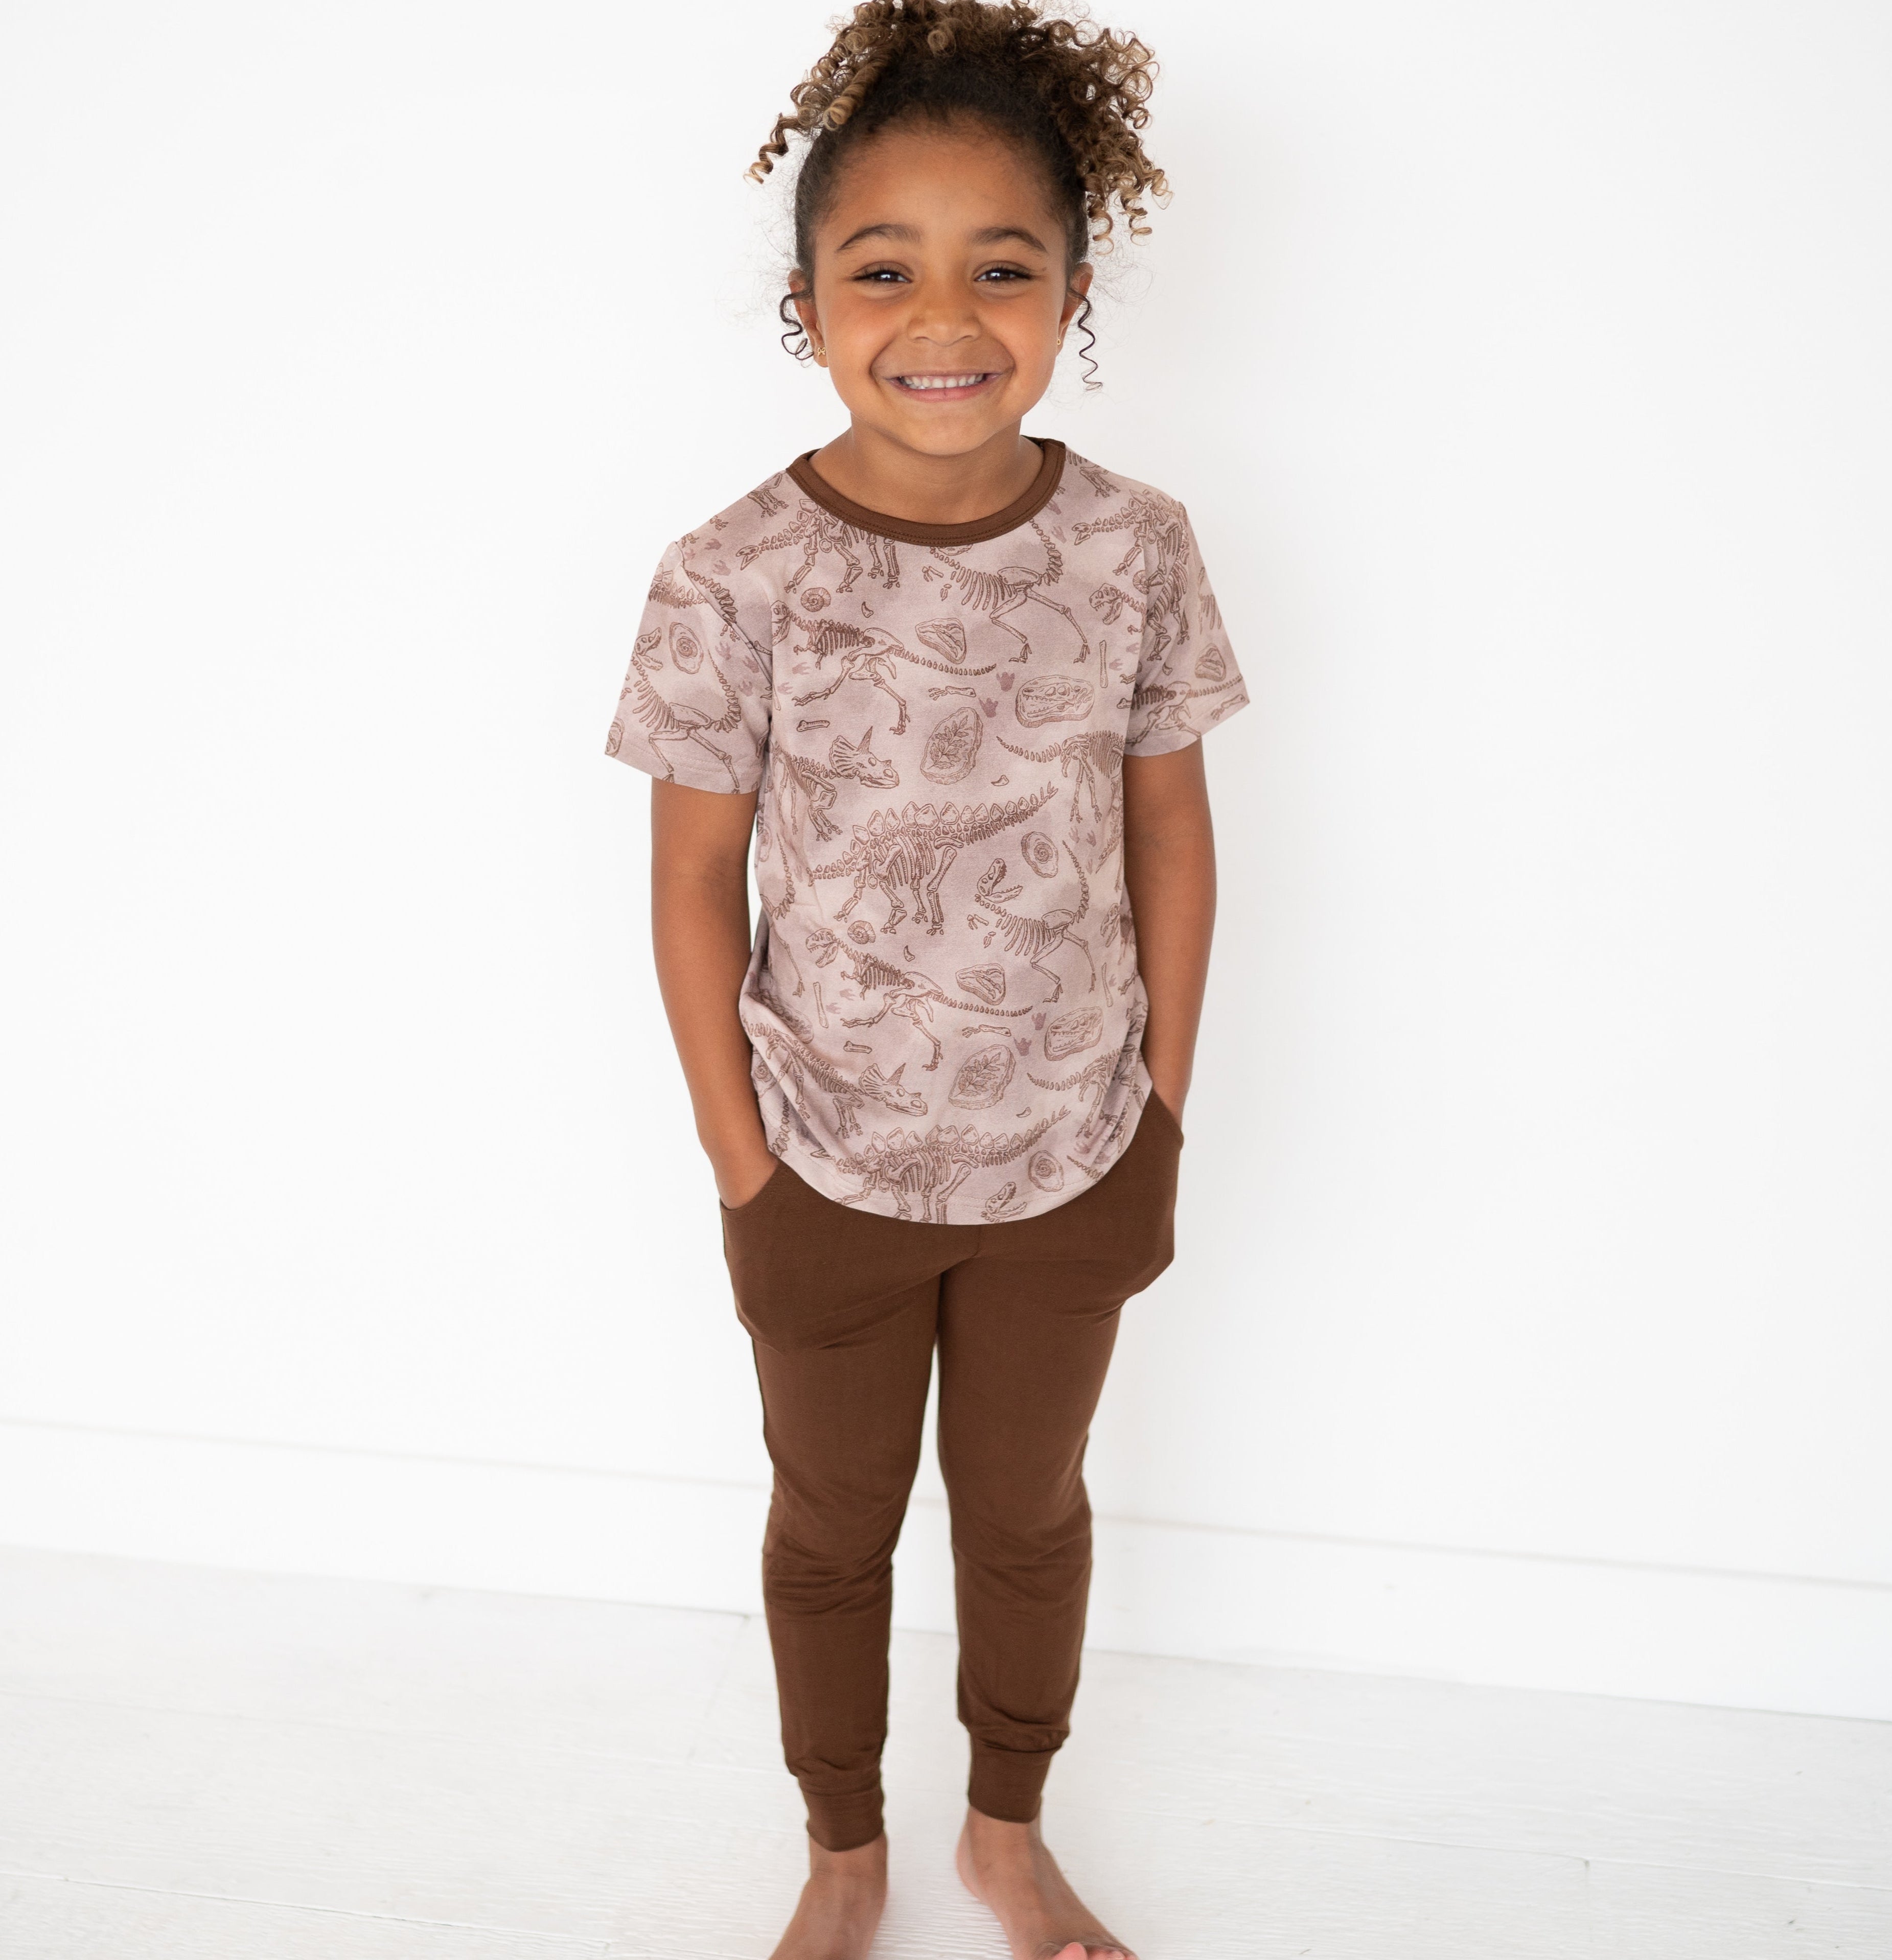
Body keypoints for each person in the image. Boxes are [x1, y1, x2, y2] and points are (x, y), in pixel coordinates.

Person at [604, 4, 1251, 1952]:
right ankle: (840, 1850)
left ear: (1069, 289)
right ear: (809, 300)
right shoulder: (733, 574)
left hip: (1068, 1157)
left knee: (1028, 1514)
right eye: (882, 268)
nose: (943, 315)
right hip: (820, 1165)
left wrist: (1158, 1107)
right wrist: (742, 1159)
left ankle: (1003, 1828)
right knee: (831, 1525)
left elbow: (1169, 830)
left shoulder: (1136, 548)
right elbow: (693, 881)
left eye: (1004, 266)